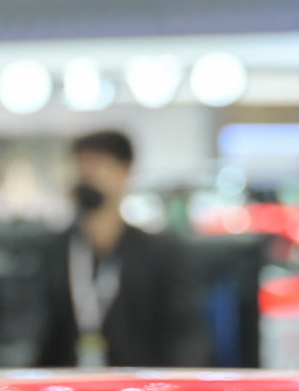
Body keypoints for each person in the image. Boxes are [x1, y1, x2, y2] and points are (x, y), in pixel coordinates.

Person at [35, 129, 205, 368]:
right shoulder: (55, 252)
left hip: (140, 382)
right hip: (70, 381)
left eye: (97, 166)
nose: (86, 176)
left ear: (125, 172)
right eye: (81, 167)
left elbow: (185, 339)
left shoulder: (161, 254)